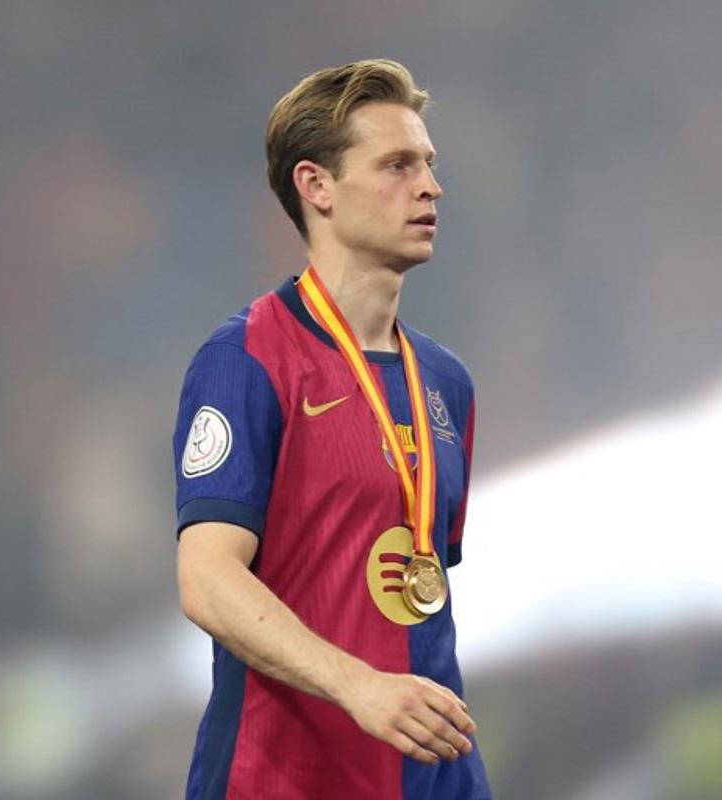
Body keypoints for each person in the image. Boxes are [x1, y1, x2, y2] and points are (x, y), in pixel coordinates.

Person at [173, 58, 492, 799]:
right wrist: (361, 687)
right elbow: (207, 581)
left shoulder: (446, 383)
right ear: (316, 186)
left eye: (429, 164)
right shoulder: (247, 357)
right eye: (397, 165)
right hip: (282, 779)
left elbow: (413, 596)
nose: (430, 186)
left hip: (431, 778)